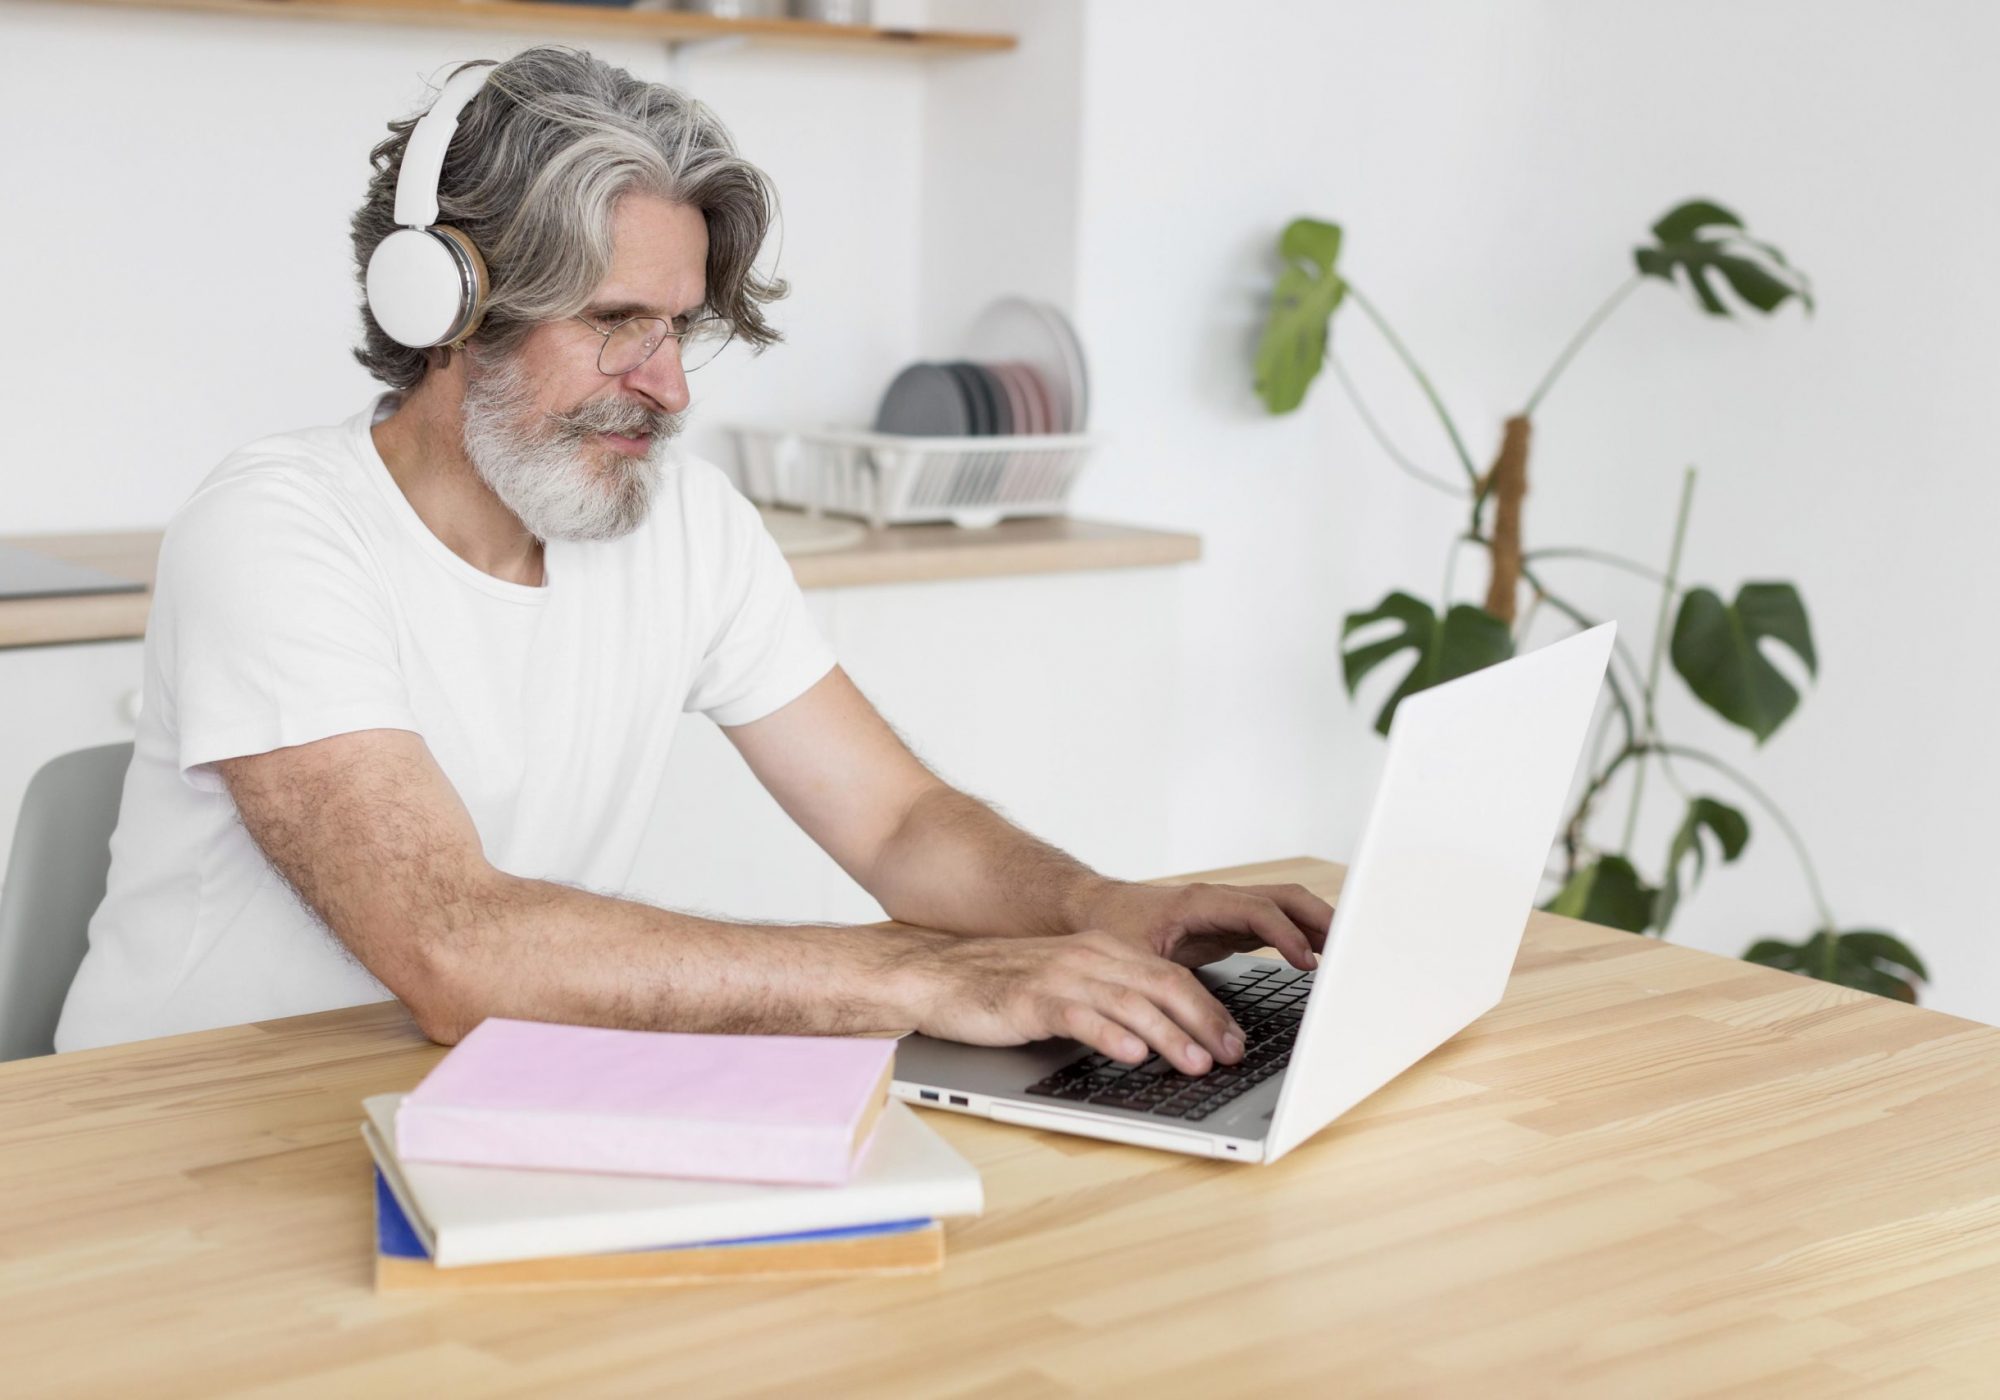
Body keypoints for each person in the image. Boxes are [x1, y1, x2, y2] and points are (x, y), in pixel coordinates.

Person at [54, 46, 1330, 1074]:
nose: (662, 384)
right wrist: (925, 972)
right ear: (438, 309)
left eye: (676, 327)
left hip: (474, 1101)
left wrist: (1093, 904)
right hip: (176, 1134)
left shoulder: (683, 523)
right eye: (613, 323)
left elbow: (895, 821)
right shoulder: (275, 530)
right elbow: (452, 943)